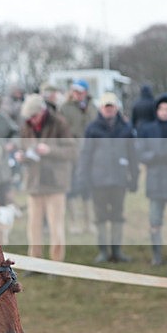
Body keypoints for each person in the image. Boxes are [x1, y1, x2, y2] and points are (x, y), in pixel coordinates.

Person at [76, 93, 138, 263]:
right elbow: (85, 155)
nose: (109, 109)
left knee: (118, 216)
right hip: (98, 181)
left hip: (119, 180)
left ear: (116, 107)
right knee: (101, 216)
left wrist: (134, 178)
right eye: (106, 106)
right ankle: (103, 251)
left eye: (112, 106)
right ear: (101, 108)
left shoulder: (126, 128)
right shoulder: (92, 128)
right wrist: (83, 180)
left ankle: (117, 251)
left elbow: (133, 155)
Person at [15, 94, 77, 262]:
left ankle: (56, 263)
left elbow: (71, 151)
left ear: (42, 111)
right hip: (34, 184)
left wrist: (49, 150)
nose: (32, 121)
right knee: (33, 227)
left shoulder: (59, 123)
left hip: (55, 184)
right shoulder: (26, 126)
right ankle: (35, 262)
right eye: (29, 117)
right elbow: (23, 147)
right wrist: (22, 156)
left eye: (34, 116)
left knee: (55, 226)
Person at [136, 94, 167, 266]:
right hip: (156, 182)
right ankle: (157, 255)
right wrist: (154, 156)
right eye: (161, 109)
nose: (165, 112)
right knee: (155, 220)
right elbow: (140, 152)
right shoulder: (147, 130)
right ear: (157, 111)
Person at [59, 79, 97, 235]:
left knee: (88, 187)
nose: (76, 94)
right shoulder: (65, 108)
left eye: (80, 91)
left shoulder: (92, 108)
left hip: (89, 151)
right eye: (74, 91)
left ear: (85, 93)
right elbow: (62, 130)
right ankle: (74, 222)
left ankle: (89, 223)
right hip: (72, 150)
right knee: (72, 187)